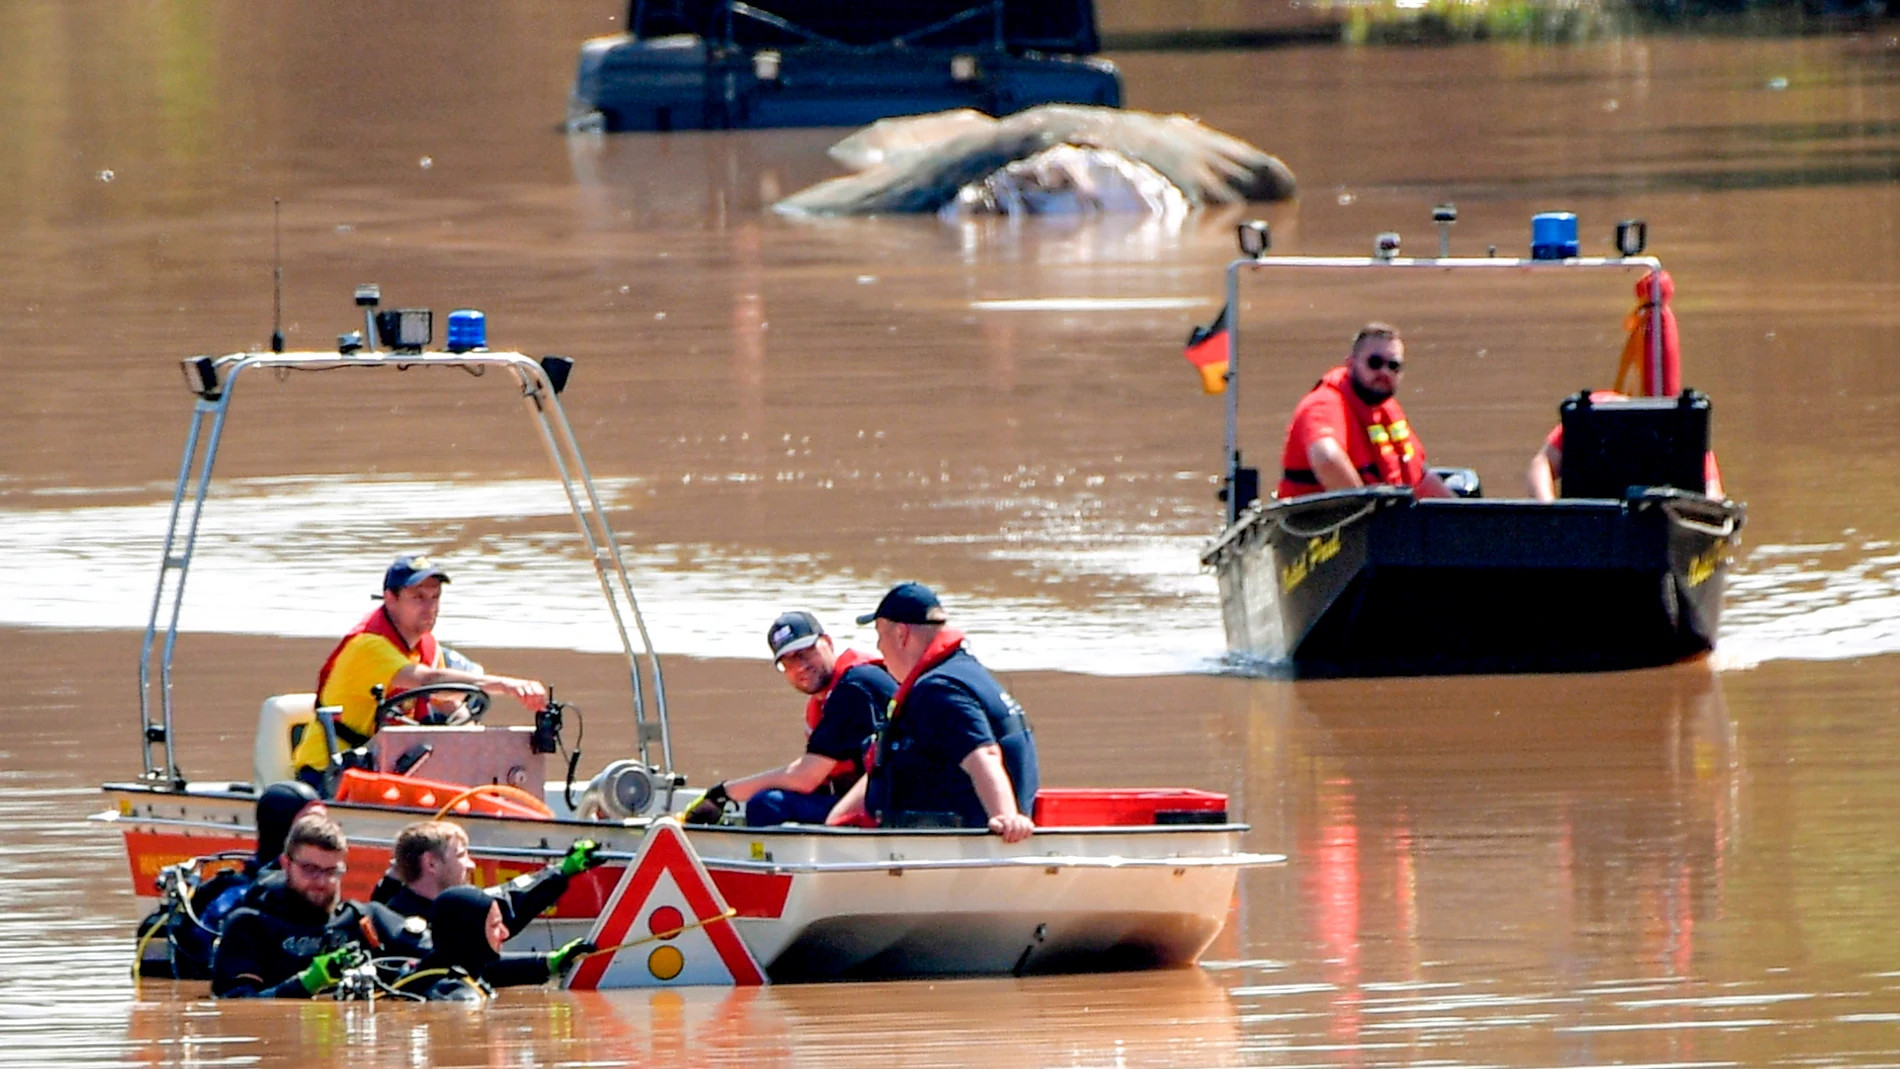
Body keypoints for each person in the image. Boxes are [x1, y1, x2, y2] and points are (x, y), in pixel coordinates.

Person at [291, 554, 550, 791]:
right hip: (327, 774)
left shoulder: (426, 646)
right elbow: (427, 680)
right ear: (390, 599)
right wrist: (504, 685)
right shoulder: (368, 646)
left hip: (384, 769)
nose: (430, 607)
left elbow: (447, 701)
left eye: (435, 597)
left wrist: (482, 746)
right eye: (418, 597)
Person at [825, 583, 1038, 844]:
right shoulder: (965, 673)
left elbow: (984, 755)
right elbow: (888, 766)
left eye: (880, 635)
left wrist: (1005, 818)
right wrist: (834, 824)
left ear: (902, 634)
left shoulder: (938, 691)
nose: (878, 648)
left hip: (938, 845)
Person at [683, 610, 895, 827]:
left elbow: (804, 778)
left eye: (805, 652)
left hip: (894, 807)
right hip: (873, 799)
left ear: (828, 643)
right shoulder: (828, 700)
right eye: (788, 661)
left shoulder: (856, 686)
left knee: (767, 804)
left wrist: (723, 793)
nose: (800, 666)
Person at [135, 780, 328, 979]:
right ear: (282, 830)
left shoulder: (326, 895)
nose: (322, 835)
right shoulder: (234, 900)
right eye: (309, 826)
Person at [212, 813, 404, 998]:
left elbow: (429, 961)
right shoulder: (249, 926)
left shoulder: (363, 919)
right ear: (286, 864)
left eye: (331, 871)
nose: (321, 881)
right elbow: (238, 1003)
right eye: (310, 870)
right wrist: (305, 984)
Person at [1276, 323, 1454, 501]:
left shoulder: (1387, 409)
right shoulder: (1324, 404)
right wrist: (1368, 517)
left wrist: (1468, 520)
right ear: (1350, 364)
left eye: (1393, 366)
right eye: (1374, 363)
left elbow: (1420, 477)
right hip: (1322, 524)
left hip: (1390, 519)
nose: (1384, 372)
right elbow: (1326, 458)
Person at [373, 820, 603, 938]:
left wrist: (561, 871)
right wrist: (545, 964)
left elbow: (506, 899)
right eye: (462, 855)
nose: (471, 864)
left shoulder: (454, 909)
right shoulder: (402, 927)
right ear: (431, 864)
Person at [394, 886, 592, 1001]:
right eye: (495, 925)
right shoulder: (460, 997)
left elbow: (491, 971)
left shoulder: (431, 971)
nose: (505, 933)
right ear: (471, 934)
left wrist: (549, 963)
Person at [1527, 390, 1724, 501]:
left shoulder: (1685, 433)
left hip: (1667, 527)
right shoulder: (1592, 416)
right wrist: (1549, 510)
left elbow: (1713, 493)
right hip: (1588, 525)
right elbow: (1542, 464)